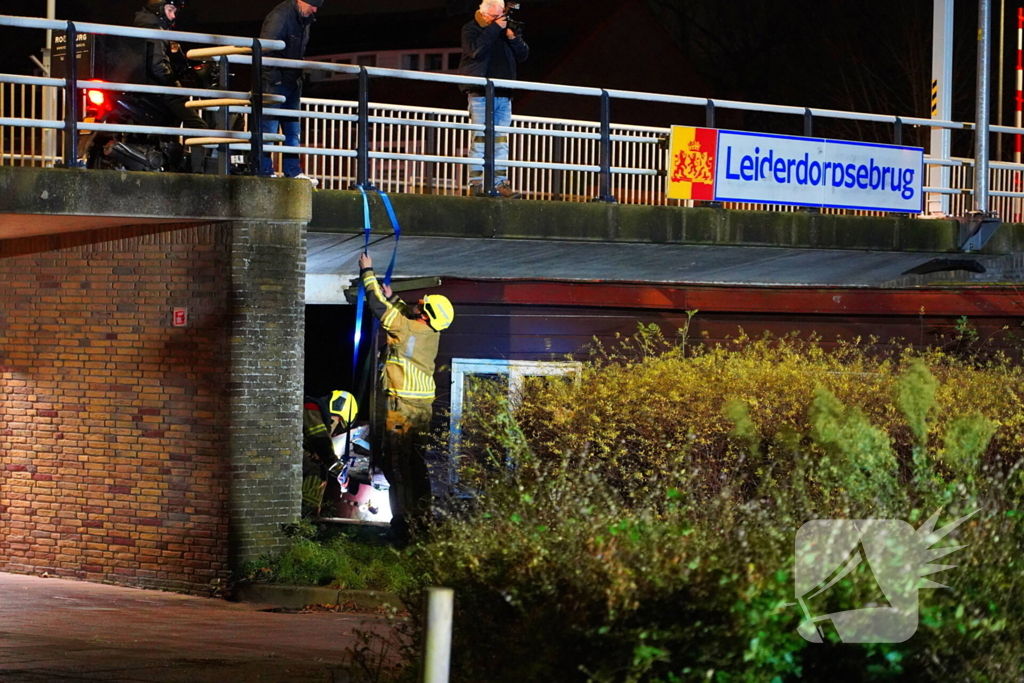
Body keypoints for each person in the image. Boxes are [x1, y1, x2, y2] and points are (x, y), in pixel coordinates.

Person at [358, 253, 454, 541]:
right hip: (422, 408)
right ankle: (423, 521)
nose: (419, 304)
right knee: (416, 464)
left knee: (396, 466)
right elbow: (407, 323)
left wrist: (368, 271)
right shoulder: (430, 332)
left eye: (422, 305)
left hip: (401, 407)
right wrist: (396, 298)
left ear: (425, 314)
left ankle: (403, 529)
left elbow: (377, 306)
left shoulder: (407, 327)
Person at [458, 0, 529, 199]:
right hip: (480, 93)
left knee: (501, 142)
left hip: (504, 94)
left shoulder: (504, 30)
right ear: (485, 14)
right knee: (479, 140)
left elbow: (523, 55)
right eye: (497, 16)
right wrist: (493, 29)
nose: (501, 20)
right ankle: (476, 185)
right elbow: (475, 51)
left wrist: (513, 38)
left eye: (502, 16)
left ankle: (500, 183)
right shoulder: (471, 28)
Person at [259, 0, 322, 185]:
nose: (315, 10)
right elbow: (266, 50)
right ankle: (264, 170)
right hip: (276, 81)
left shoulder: (303, 17)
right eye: (313, 4)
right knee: (269, 129)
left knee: (292, 130)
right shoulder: (281, 15)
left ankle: (292, 171)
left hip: (291, 81)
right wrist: (275, 79)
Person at [132, 0, 209, 131]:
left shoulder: (140, 26)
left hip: (140, 83)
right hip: (158, 85)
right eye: (170, 10)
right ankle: (208, 150)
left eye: (175, 12)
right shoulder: (156, 30)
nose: (173, 16)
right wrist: (173, 82)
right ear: (159, 9)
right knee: (199, 126)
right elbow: (157, 65)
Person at [302, 389, 358, 518]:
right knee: (317, 469)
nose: (332, 429)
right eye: (336, 422)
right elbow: (321, 441)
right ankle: (307, 515)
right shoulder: (311, 409)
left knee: (318, 465)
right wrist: (338, 470)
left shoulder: (313, 411)